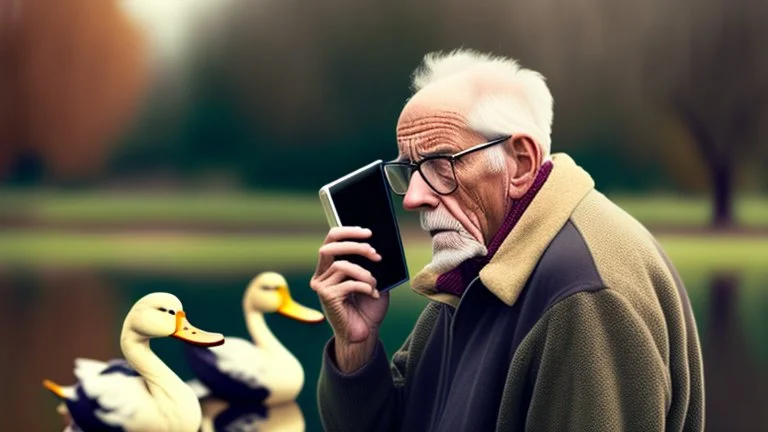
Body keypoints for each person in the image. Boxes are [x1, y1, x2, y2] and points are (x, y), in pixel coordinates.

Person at [310, 48, 704, 432]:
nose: (413, 197)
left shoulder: (580, 295)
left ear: (521, 163)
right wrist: (355, 346)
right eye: (409, 169)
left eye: (439, 165)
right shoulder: (479, 266)